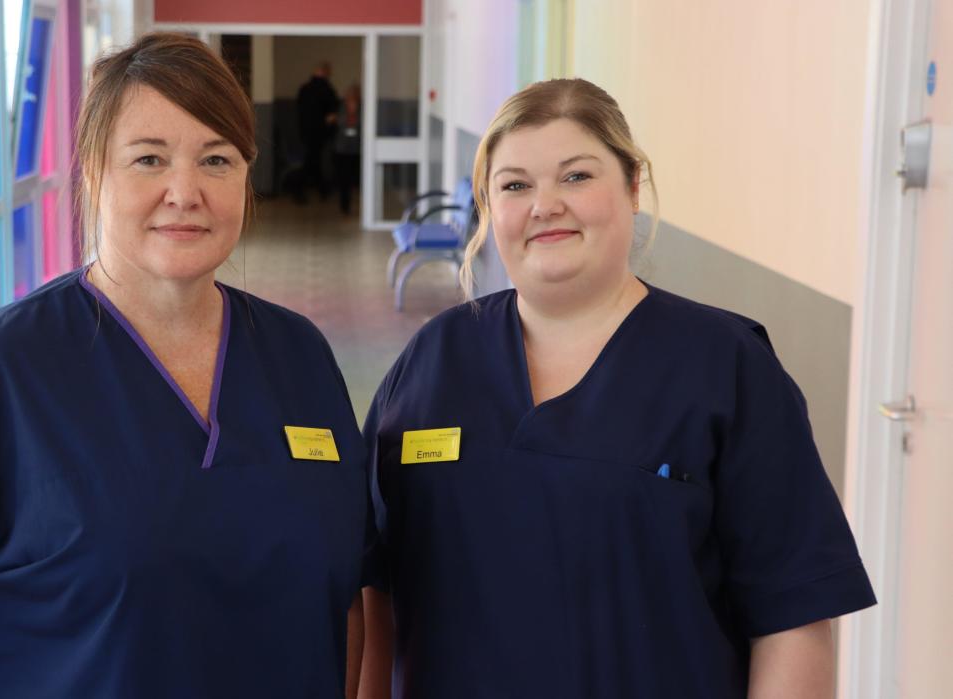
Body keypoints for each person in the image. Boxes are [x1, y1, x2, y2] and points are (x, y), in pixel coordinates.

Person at [0, 33, 368, 697]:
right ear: (93, 171)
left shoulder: (299, 356)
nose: (185, 190)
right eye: (149, 159)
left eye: (217, 159)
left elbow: (345, 592)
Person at [358, 79, 876, 698]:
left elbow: (793, 613)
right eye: (516, 185)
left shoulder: (726, 367)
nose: (545, 205)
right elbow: (372, 582)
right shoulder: (433, 360)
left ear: (632, 186)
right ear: (490, 206)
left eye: (576, 176)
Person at [296, 61, 339, 203]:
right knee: (312, 161)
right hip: (320, 132)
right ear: (326, 72)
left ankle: (321, 190)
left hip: (305, 131)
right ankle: (303, 190)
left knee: (313, 160)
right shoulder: (326, 89)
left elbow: (300, 111)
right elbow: (332, 113)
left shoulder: (305, 89)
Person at [333, 84, 362, 215]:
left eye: (354, 98)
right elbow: (340, 123)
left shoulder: (362, 110)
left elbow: (360, 125)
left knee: (354, 179)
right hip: (342, 149)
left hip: (356, 150)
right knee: (344, 179)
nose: (351, 101)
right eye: (349, 98)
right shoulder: (341, 109)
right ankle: (344, 205)